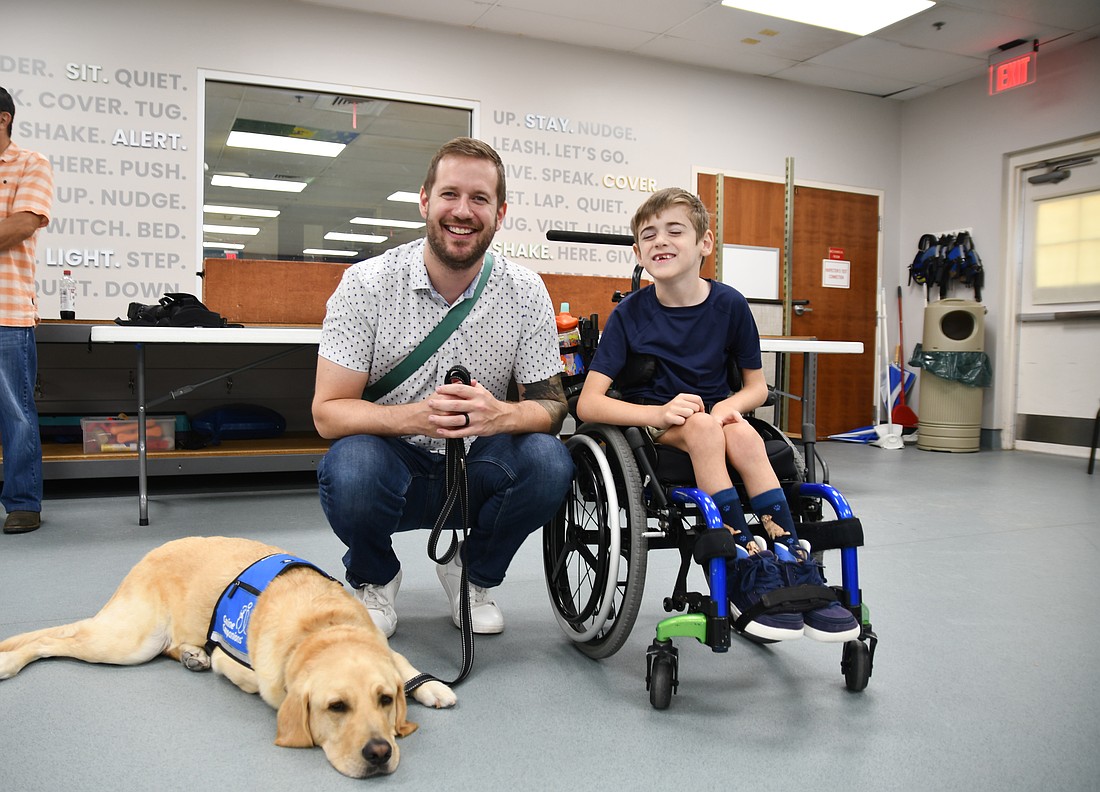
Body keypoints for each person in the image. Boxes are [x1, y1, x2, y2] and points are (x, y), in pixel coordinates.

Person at [313, 137, 573, 638]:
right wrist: (414, 417)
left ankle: (471, 575)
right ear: (424, 200)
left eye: (479, 199)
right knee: (351, 468)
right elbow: (328, 413)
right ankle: (376, 577)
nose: (463, 211)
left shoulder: (525, 290)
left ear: (500, 213)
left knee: (548, 461)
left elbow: (553, 406)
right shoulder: (366, 284)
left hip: (479, 465)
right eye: (450, 194)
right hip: (395, 464)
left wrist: (500, 415)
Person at [576, 187, 859, 643]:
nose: (660, 241)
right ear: (637, 251)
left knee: (742, 434)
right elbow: (589, 403)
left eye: (675, 230)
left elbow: (756, 387)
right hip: (659, 432)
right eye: (648, 235)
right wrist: (658, 412)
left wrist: (732, 406)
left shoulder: (729, 305)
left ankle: (788, 556)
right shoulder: (629, 315)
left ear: (705, 243)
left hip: (719, 423)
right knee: (708, 425)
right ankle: (739, 556)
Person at [0, 86, 53, 535]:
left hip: (7, 313)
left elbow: (20, 225)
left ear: (2, 119)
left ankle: (23, 502)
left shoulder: (31, 164)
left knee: (15, 413)